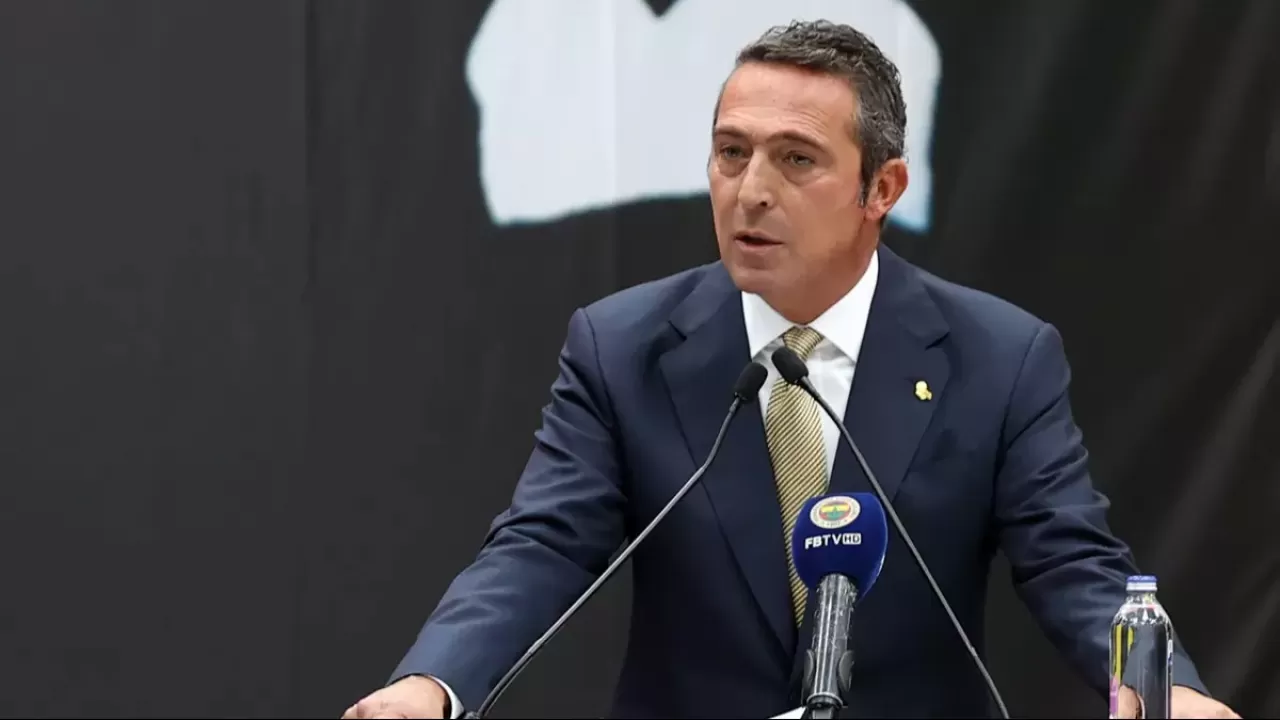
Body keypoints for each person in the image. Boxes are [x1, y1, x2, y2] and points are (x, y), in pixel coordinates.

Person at [343, 20, 1241, 719]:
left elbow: (1071, 563)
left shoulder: (998, 358)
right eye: (731, 153)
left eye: (796, 159)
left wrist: (1166, 693)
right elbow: (542, 544)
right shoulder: (623, 347)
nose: (751, 190)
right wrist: (433, 684)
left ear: (881, 189)